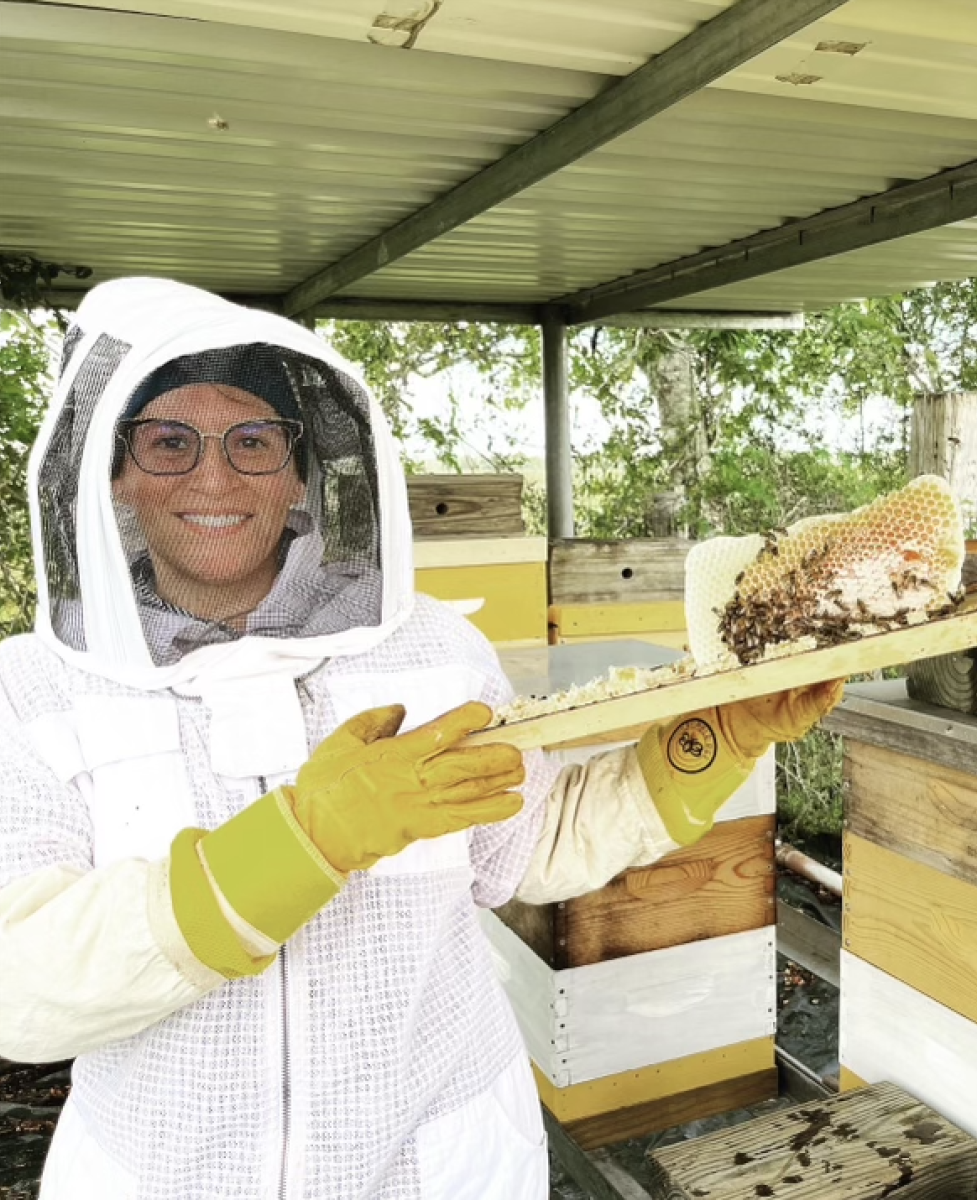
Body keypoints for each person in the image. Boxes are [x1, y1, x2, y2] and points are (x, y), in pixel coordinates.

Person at [0, 278, 842, 1200]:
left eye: (253, 441)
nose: (213, 477)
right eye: (169, 443)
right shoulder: (31, 689)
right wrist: (300, 845)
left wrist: (713, 741)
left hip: (437, 1164)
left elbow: (534, 840)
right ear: (113, 474)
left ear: (300, 473)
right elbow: (21, 987)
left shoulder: (432, 648)